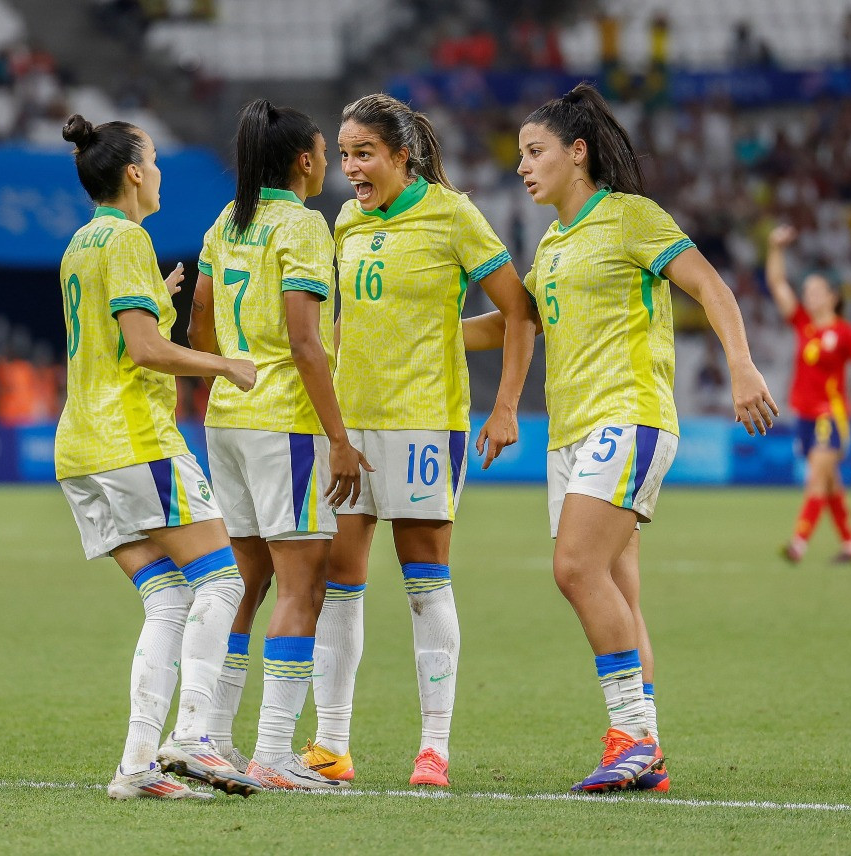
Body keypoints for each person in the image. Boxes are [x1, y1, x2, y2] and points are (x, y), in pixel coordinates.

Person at [465, 82, 777, 793]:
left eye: (534, 151)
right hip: (570, 433)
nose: (521, 166)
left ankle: (630, 737)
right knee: (619, 593)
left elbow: (710, 287)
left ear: (577, 154)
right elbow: (513, 325)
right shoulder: (552, 244)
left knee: (574, 569)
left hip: (627, 416)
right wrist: (423, 337)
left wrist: (740, 365)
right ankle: (648, 751)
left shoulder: (632, 218)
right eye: (519, 154)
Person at [302, 93, 537, 788]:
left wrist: (503, 407)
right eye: (343, 155)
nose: (350, 170)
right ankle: (331, 744)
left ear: (403, 156)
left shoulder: (451, 215)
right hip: (350, 425)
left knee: (422, 581)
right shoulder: (345, 220)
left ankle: (433, 746)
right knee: (335, 582)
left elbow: (517, 311)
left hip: (424, 422)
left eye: (364, 154)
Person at [55, 113, 262, 801]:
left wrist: (159, 303)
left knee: (169, 599)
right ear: (135, 172)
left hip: (82, 451)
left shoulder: (83, 243)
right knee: (223, 580)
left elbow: (117, 337)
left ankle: (137, 767)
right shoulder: (127, 239)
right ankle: (195, 735)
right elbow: (145, 351)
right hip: (134, 441)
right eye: (155, 159)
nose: (162, 170)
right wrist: (222, 364)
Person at [187, 99, 370, 790]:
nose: (330, 162)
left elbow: (199, 318)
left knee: (246, 581)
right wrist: (339, 439)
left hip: (226, 418)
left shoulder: (225, 223)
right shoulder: (301, 225)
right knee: (302, 585)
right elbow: (303, 342)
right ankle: (271, 752)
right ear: (302, 160)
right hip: (282, 424)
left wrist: (225, 366)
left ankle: (208, 736)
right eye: (326, 151)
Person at [766, 225, 851, 563]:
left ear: (833, 296)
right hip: (804, 416)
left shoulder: (845, 333)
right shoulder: (802, 325)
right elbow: (777, 284)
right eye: (806, 290)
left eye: (815, 290)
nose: (807, 295)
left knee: (816, 477)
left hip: (832, 414)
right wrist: (774, 247)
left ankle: (798, 543)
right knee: (830, 484)